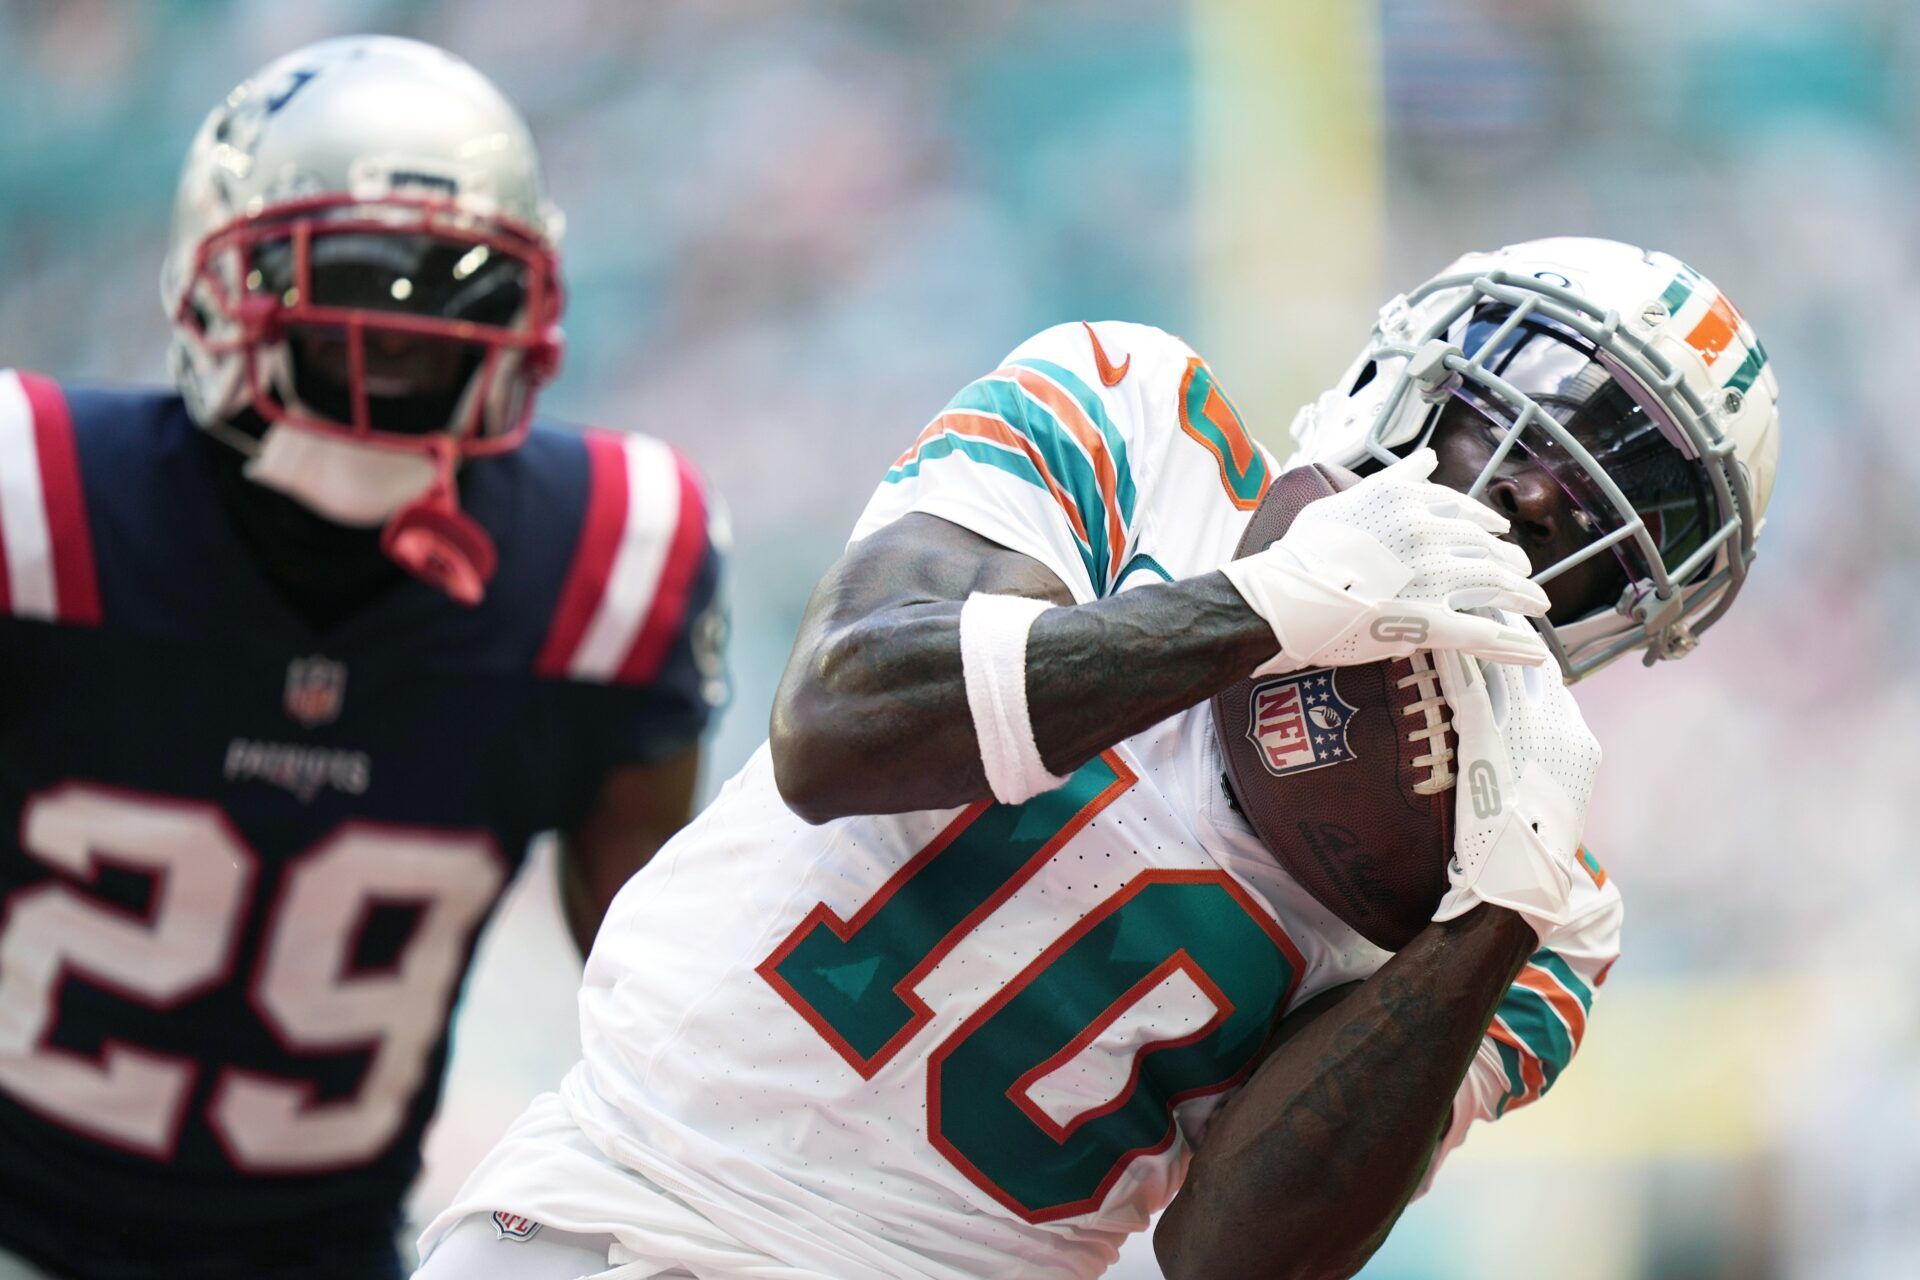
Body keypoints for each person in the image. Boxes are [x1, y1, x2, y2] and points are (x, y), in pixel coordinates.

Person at [415, 237, 1779, 1280]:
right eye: (1532, 411)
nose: (1540, 487)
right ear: (1419, 360)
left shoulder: (1545, 895)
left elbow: (1238, 1259)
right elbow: (840, 723)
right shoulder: (1137, 427)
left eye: (1626, 484)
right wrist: (1267, 610)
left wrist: (1486, 919)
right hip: (618, 1214)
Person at [0, 36, 726, 1280]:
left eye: (460, 292)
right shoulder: (35, 498)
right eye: (353, 279)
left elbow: (654, 988)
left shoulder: (609, 555)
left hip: (330, 1247)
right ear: (216, 283)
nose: (398, 337)